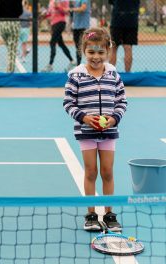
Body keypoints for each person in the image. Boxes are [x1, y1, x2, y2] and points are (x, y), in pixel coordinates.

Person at [63, 28, 127, 232]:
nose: (96, 57)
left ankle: (109, 215)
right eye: (91, 52)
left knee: (107, 172)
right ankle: (91, 215)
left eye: (101, 52)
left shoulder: (113, 74)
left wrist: (114, 118)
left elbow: (122, 101)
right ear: (84, 51)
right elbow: (68, 103)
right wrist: (83, 117)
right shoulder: (76, 76)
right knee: (91, 172)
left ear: (108, 52)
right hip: (86, 133)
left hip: (108, 132)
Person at [41, 0, 76, 72]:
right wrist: (44, 16)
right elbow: (50, 13)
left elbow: (66, 12)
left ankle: (50, 65)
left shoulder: (64, 0)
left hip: (60, 23)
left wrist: (58, 7)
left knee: (52, 42)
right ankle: (72, 61)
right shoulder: (51, 1)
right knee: (61, 44)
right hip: (54, 24)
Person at [109, 0, 140, 72]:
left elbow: (111, 2)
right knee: (128, 47)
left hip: (117, 20)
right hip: (131, 20)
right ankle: (128, 73)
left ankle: (110, 74)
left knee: (114, 48)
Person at [0, 0, 23, 72]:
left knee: (9, 49)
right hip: (13, 23)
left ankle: (9, 69)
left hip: (2, 24)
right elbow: (20, 11)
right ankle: (9, 73)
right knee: (12, 51)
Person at [70, 0, 90, 65]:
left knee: (83, 46)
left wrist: (71, 9)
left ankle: (90, 65)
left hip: (83, 27)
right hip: (76, 27)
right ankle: (78, 65)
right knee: (78, 47)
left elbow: (83, 8)